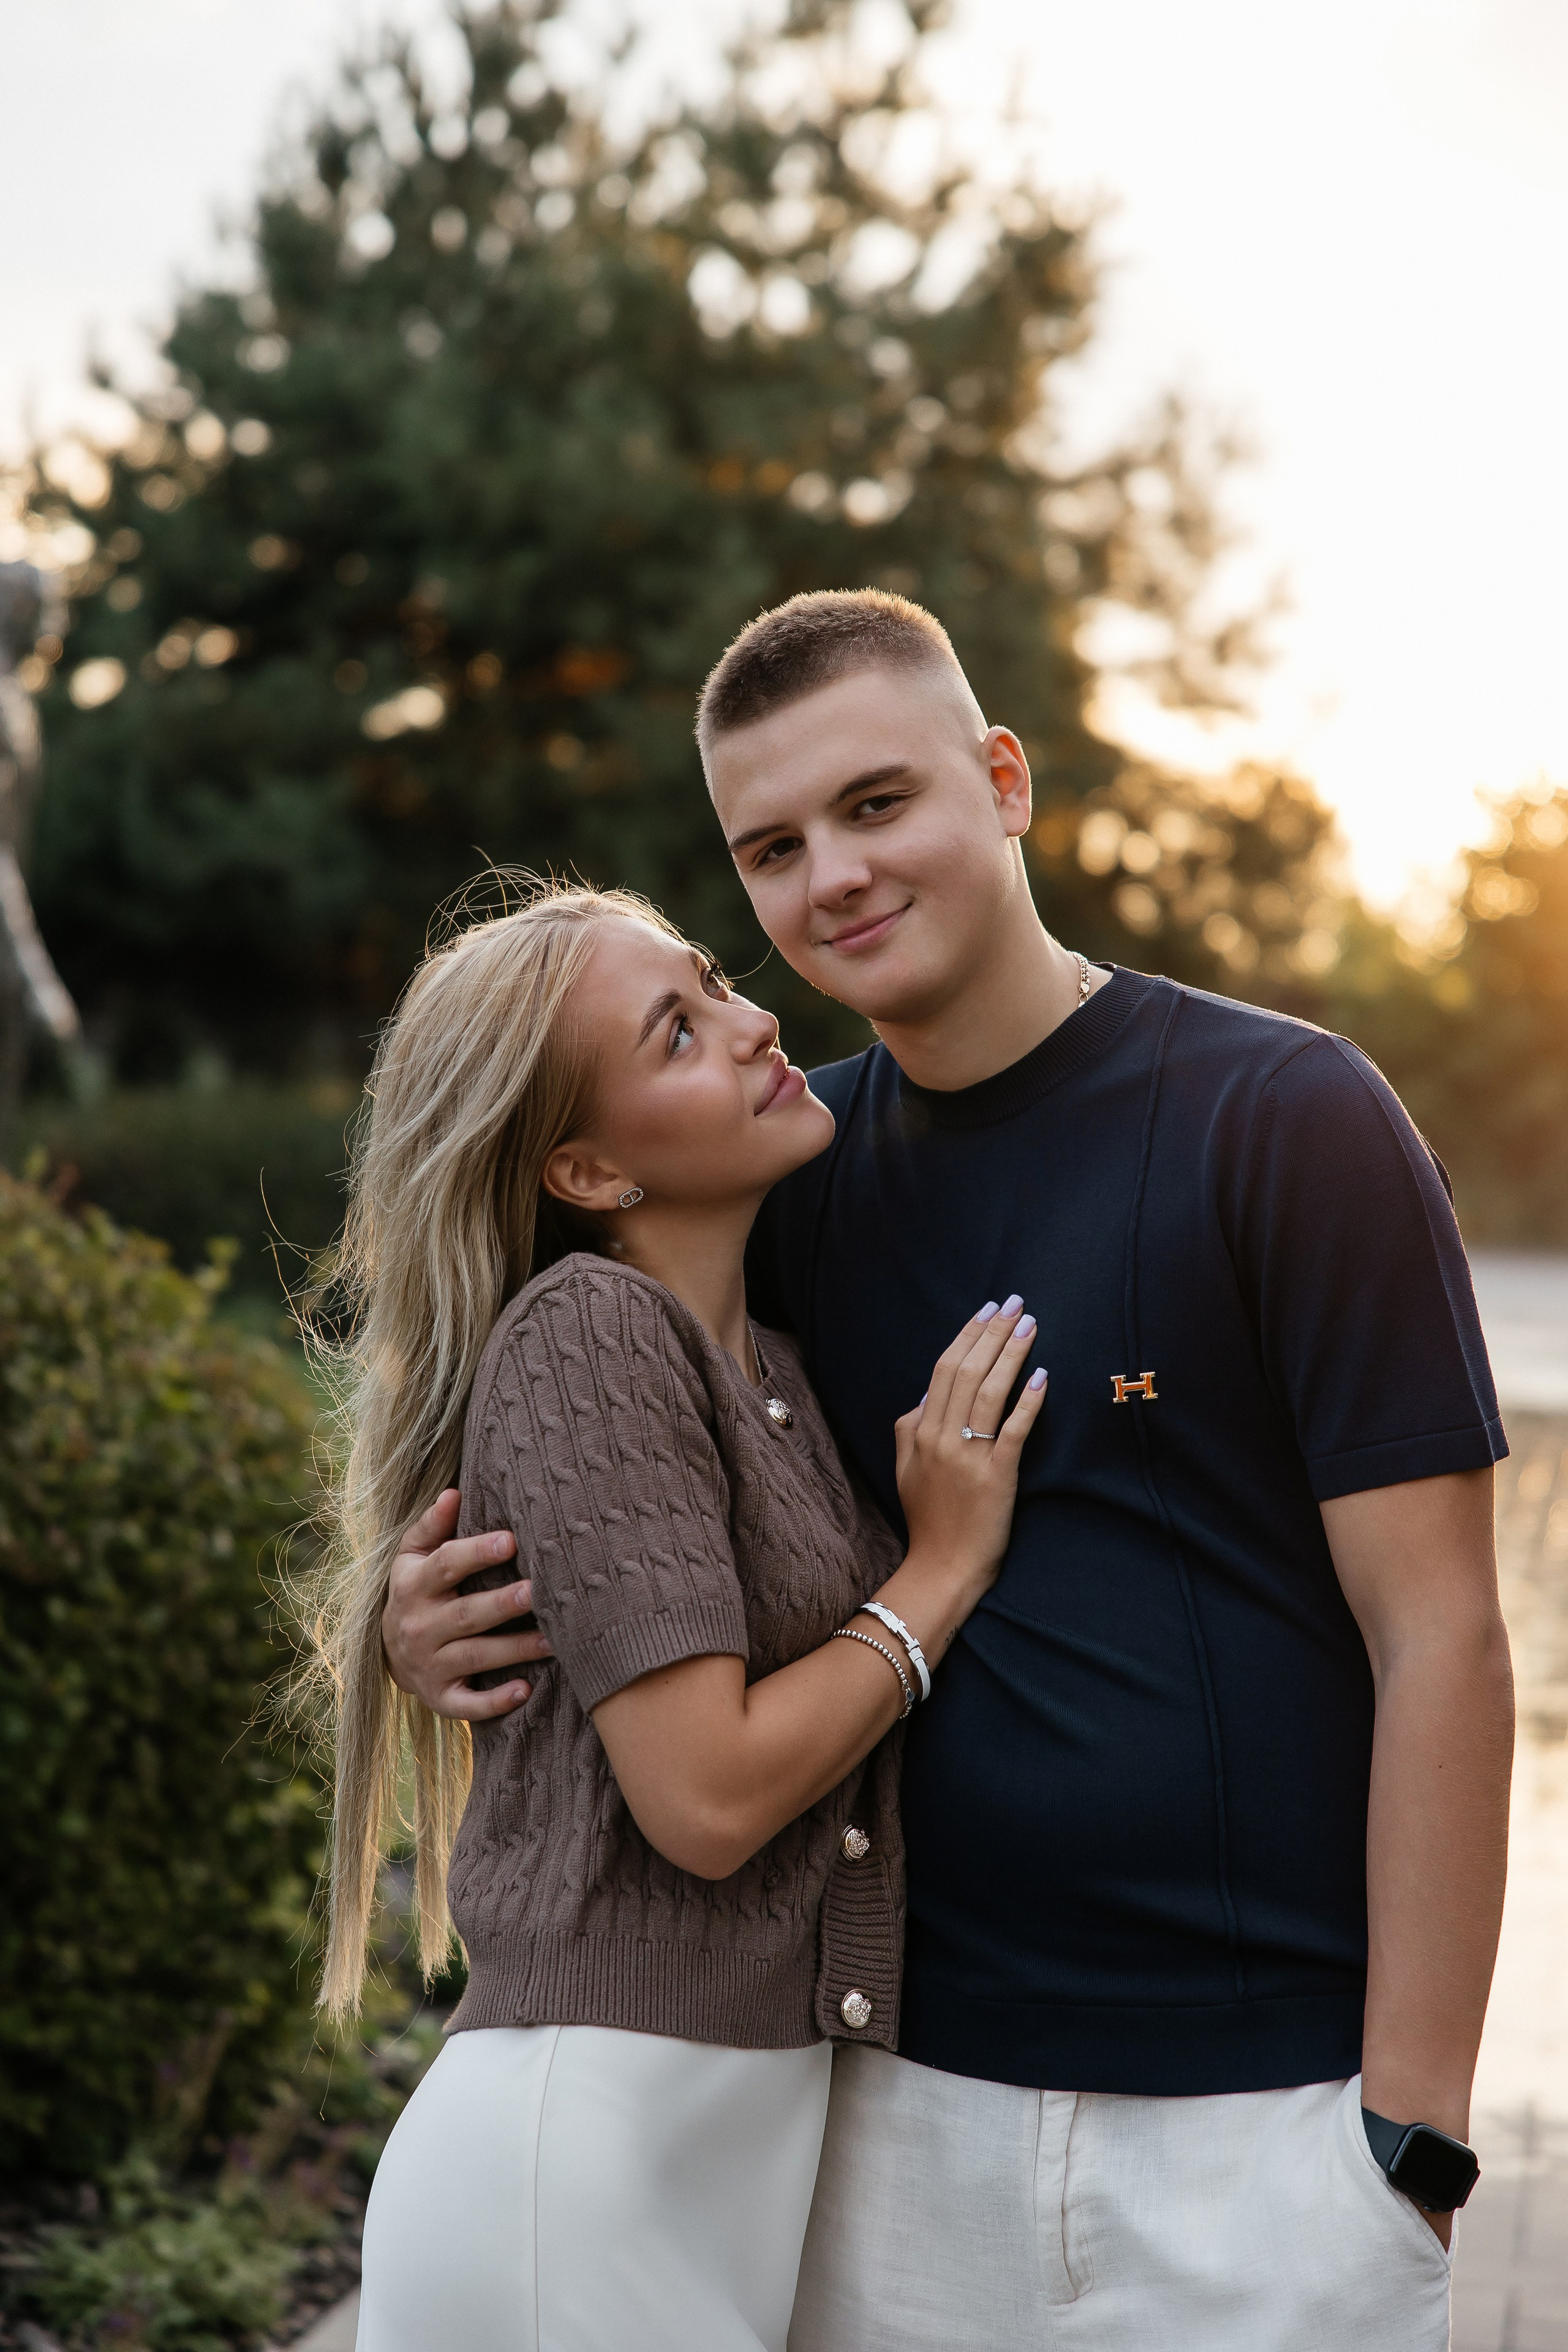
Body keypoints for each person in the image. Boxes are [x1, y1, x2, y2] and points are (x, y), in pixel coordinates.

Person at [384, 592, 1515, 2350]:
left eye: (876, 804)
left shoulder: (1285, 1119)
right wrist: (436, 1618)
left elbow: (1442, 1634)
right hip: (877, 2124)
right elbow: (599, 1458)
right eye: (771, 847)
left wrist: (1414, 2127)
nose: (829, 876)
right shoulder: (785, 1184)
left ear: (1004, 783)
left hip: (1261, 2140)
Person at [311, 879, 1048, 2352]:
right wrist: (936, 1575)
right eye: (678, 1031)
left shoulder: (759, 1356)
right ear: (585, 1170)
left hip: (704, 2169)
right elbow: (704, 1799)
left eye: (712, 981)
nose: (754, 1019)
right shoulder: (591, 1333)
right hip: (576, 2171)